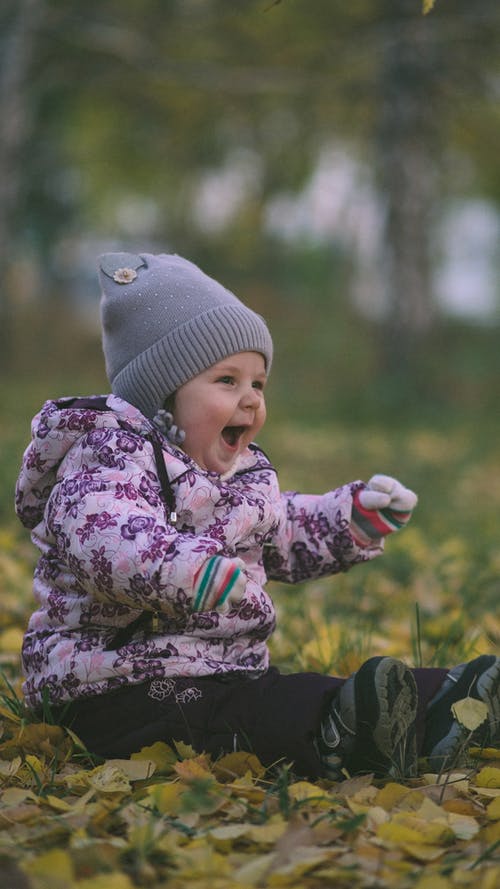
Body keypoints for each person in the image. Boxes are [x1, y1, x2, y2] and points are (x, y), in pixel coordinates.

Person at [15, 252, 499, 780]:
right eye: (227, 380)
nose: (250, 400)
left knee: (279, 699)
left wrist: (348, 522)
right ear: (162, 396)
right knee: (250, 713)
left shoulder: (236, 473)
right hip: (109, 688)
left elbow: (279, 528)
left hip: (217, 674)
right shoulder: (107, 457)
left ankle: (449, 701)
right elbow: (105, 538)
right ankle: (345, 731)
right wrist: (182, 569)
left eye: (258, 384)